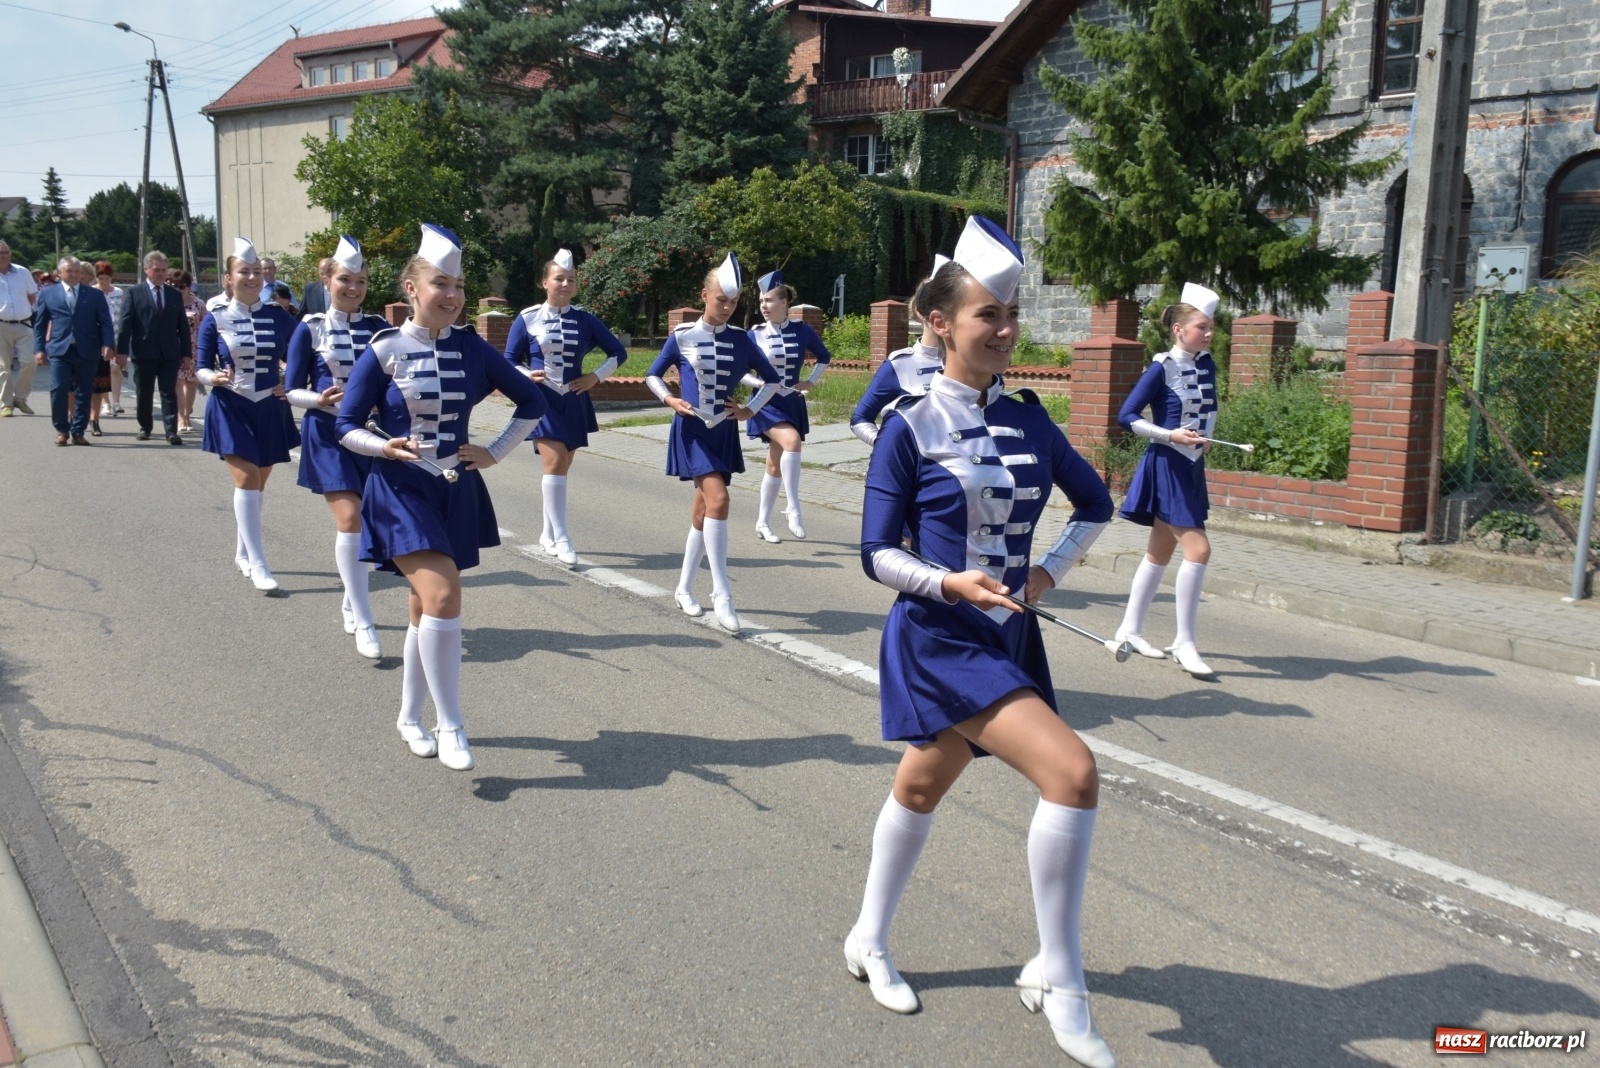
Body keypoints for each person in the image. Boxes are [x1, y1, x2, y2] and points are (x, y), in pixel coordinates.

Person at [845, 216, 1117, 1068]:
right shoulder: (907, 425)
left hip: (1009, 638)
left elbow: (1097, 505)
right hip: (937, 635)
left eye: (1009, 315)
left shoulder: (1032, 419)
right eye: (986, 315)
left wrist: (1044, 579)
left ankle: (866, 938)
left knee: (922, 786)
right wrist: (949, 582)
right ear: (941, 324)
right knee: (1073, 774)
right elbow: (875, 553)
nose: (1003, 330)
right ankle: (1061, 976)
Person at [336, 224, 546, 771]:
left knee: (422, 607)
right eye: (439, 283)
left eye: (457, 285)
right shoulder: (384, 350)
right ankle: (451, 723)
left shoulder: (475, 348)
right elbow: (345, 424)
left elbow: (531, 402)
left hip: (455, 486)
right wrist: (384, 448)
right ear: (411, 287)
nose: (451, 295)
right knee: (445, 597)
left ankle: (408, 716)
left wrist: (495, 451)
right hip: (400, 491)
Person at [645, 253, 782, 634]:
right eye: (720, 299)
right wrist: (670, 400)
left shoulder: (743, 340)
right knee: (720, 501)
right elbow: (652, 375)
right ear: (704, 295)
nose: (726, 306)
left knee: (703, 512)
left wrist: (750, 410)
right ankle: (723, 594)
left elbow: (772, 380)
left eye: (733, 301)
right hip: (691, 431)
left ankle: (684, 588)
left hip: (723, 430)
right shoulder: (683, 335)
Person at [285, 237, 391, 660]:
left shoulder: (379, 328)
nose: (353, 288)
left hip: (369, 436)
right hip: (327, 433)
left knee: (368, 523)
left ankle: (352, 597)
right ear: (327, 280)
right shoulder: (308, 327)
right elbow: (291, 389)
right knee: (349, 520)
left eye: (361, 281)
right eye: (345, 279)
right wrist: (319, 400)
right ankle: (364, 619)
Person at [1113, 284, 1221, 679]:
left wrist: (1206, 436)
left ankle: (1129, 628)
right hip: (1167, 463)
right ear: (1179, 329)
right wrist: (1169, 435)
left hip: (1191, 465)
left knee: (1159, 553)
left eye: (1211, 327)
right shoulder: (1161, 367)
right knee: (1199, 550)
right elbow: (1126, 416)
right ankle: (1184, 642)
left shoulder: (1206, 363)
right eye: (1202, 327)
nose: (1209, 334)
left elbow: (1209, 407)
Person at [503, 248, 628, 566]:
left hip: (573, 400)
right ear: (545, 282)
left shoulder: (585, 318)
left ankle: (546, 533)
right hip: (541, 400)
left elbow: (617, 353)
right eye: (559, 278)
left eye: (571, 279)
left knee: (560, 469)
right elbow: (508, 360)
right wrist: (526, 375)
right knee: (555, 463)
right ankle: (562, 537)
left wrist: (594, 378)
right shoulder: (527, 317)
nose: (565, 284)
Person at [195, 238, 302, 592]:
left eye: (257, 272)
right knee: (246, 481)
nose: (253, 277)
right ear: (228, 278)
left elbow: (305, 355)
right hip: (231, 406)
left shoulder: (279, 317)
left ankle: (242, 552)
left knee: (259, 485)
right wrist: (215, 377)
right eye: (245, 271)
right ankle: (258, 563)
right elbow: (199, 367)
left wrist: (289, 382)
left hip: (270, 407)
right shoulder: (215, 318)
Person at [743, 270, 832, 542]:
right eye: (761, 301)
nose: (764, 306)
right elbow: (739, 371)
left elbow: (824, 357)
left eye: (769, 300)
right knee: (792, 442)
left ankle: (762, 523)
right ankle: (793, 507)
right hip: (764, 403)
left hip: (791, 402)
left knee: (774, 466)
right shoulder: (753, 334)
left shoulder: (802, 330)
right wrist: (758, 384)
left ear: (784, 303)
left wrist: (811, 382)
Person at [849, 256, 950, 447]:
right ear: (921, 310)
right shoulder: (900, 364)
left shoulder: (973, 364)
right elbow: (860, 419)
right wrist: (892, 448)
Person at [32, 256, 115, 446]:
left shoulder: (94, 295)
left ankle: (78, 430)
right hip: (60, 349)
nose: (75, 274)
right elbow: (40, 324)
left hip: (87, 349)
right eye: (70, 271)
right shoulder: (48, 294)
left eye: (78, 271)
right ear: (60, 273)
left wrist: (108, 344)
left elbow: (105, 322)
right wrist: (39, 349)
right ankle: (62, 429)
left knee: (84, 391)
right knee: (59, 388)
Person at [116, 251, 191, 445]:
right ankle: (145, 427)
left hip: (169, 353)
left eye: (163, 270)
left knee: (169, 392)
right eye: (156, 270)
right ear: (146, 269)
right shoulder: (134, 292)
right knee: (144, 392)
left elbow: (182, 325)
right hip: (143, 352)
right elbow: (125, 324)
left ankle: (171, 431)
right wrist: (122, 352)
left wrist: (186, 354)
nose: (160, 274)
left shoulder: (174, 294)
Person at [1, 240, 40, 418]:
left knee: (29, 362)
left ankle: (20, 398)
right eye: (0, 253)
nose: (4, 256)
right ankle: (6, 403)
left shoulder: (22, 272)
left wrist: (27, 312)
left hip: (24, 324)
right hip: (1, 325)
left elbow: (32, 296)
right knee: (3, 367)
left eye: (6, 252)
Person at [91, 261, 126, 422]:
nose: (104, 282)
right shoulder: (92, 292)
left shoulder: (119, 292)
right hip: (98, 337)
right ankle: (105, 402)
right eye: (101, 278)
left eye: (107, 278)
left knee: (115, 368)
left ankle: (116, 401)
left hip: (117, 334)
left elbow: (124, 315)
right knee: (102, 370)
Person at [169, 269, 204, 432]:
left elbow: (207, 327)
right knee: (178, 381)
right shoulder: (168, 303)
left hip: (194, 348)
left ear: (189, 286)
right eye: (174, 286)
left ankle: (187, 415)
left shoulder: (198, 304)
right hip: (173, 347)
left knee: (191, 382)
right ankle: (181, 418)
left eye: (181, 286)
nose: (178, 289)